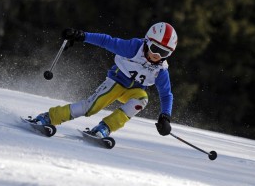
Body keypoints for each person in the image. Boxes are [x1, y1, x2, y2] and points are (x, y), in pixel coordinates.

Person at [33, 22, 178, 138]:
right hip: (116, 83)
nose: (157, 55)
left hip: (133, 91)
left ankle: (105, 127)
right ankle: (48, 117)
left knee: (142, 99)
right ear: (147, 42)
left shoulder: (161, 70)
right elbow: (106, 41)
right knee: (90, 108)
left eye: (164, 52)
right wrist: (82, 36)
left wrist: (165, 117)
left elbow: (166, 95)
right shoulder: (133, 49)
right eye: (155, 48)